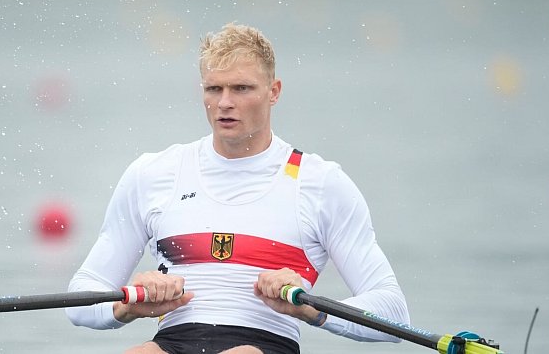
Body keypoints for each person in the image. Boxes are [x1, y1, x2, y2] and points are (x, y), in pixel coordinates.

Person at [66, 22, 409, 354]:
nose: (225, 102)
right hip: (172, 340)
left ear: (273, 92)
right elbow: (81, 297)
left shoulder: (320, 183)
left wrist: (308, 307)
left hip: (266, 344)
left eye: (241, 88)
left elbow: (393, 311)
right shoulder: (153, 173)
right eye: (214, 89)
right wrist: (131, 303)